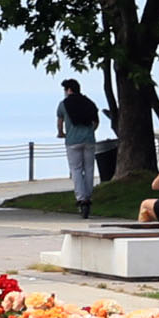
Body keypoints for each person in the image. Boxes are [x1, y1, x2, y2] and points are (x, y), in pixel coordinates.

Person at [58, 79, 103, 217]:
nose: (65, 92)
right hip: (89, 141)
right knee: (89, 169)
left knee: (76, 170)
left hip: (72, 142)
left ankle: (81, 198)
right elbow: (96, 122)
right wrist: (90, 132)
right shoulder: (89, 103)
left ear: (69, 90)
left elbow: (60, 122)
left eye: (65, 90)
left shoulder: (63, 104)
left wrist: (61, 134)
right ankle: (88, 196)